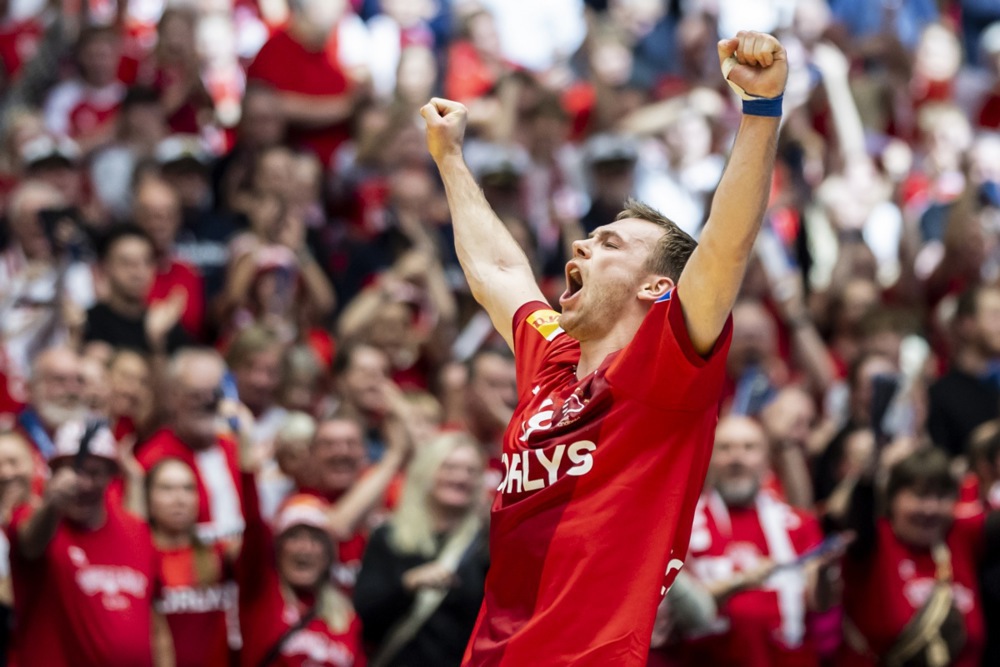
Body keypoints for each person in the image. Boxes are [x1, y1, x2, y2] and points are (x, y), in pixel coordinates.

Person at [420, 29, 788, 665]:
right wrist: (450, 160)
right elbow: (501, 274)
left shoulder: (664, 372)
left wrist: (758, 113)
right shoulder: (555, 362)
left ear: (658, 286)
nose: (583, 247)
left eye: (611, 244)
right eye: (589, 237)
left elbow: (723, 249)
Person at [6, 419, 174, 666]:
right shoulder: (32, 519)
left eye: (94, 473)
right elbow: (30, 544)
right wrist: (53, 503)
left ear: (111, 476)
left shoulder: (136, 531)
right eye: (73, 471)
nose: (82, 484)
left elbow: (156, 625)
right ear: (54, 472)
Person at [676, 416, 841, 666]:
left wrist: (826, 573)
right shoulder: (683, 525)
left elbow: (821, 604)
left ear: (766, 460)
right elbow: (677, 609)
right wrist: (743, 580)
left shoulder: (798, 524)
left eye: (749, 448)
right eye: (725, 448)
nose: (737, 459)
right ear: (708, 457)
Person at [235, 408, 366, 667]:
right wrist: (247, 460)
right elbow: (253, 528)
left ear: (329, 553)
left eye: (316, 539)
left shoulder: (345, 617)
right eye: (294, 537)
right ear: (278, 548)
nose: (305, 548)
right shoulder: (261, 594)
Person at [354, 432, 489, 667]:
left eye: (471, 471)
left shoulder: (485, 546)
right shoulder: (388, 536)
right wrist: (408, 585)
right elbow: (363, 617)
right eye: (450, 467)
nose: (461, 477)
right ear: (427, 471)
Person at [147, 457, 236, 667]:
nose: (179, 499)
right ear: (149, 498)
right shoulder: (141, 558)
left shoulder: (221, 554)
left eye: (188, 489)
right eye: (167, 489)